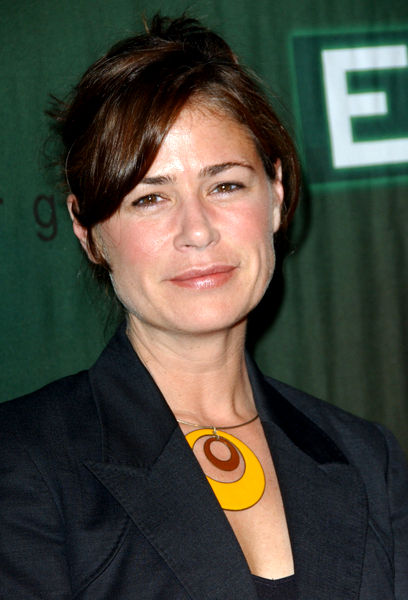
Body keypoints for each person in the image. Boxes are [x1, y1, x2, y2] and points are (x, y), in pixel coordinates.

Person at [0, 14, 407, 600]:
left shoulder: (368, 460)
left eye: (225, 185)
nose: (197, 231)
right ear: (88, 232)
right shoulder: (23, 462)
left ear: (276, 195)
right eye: (149, 198)